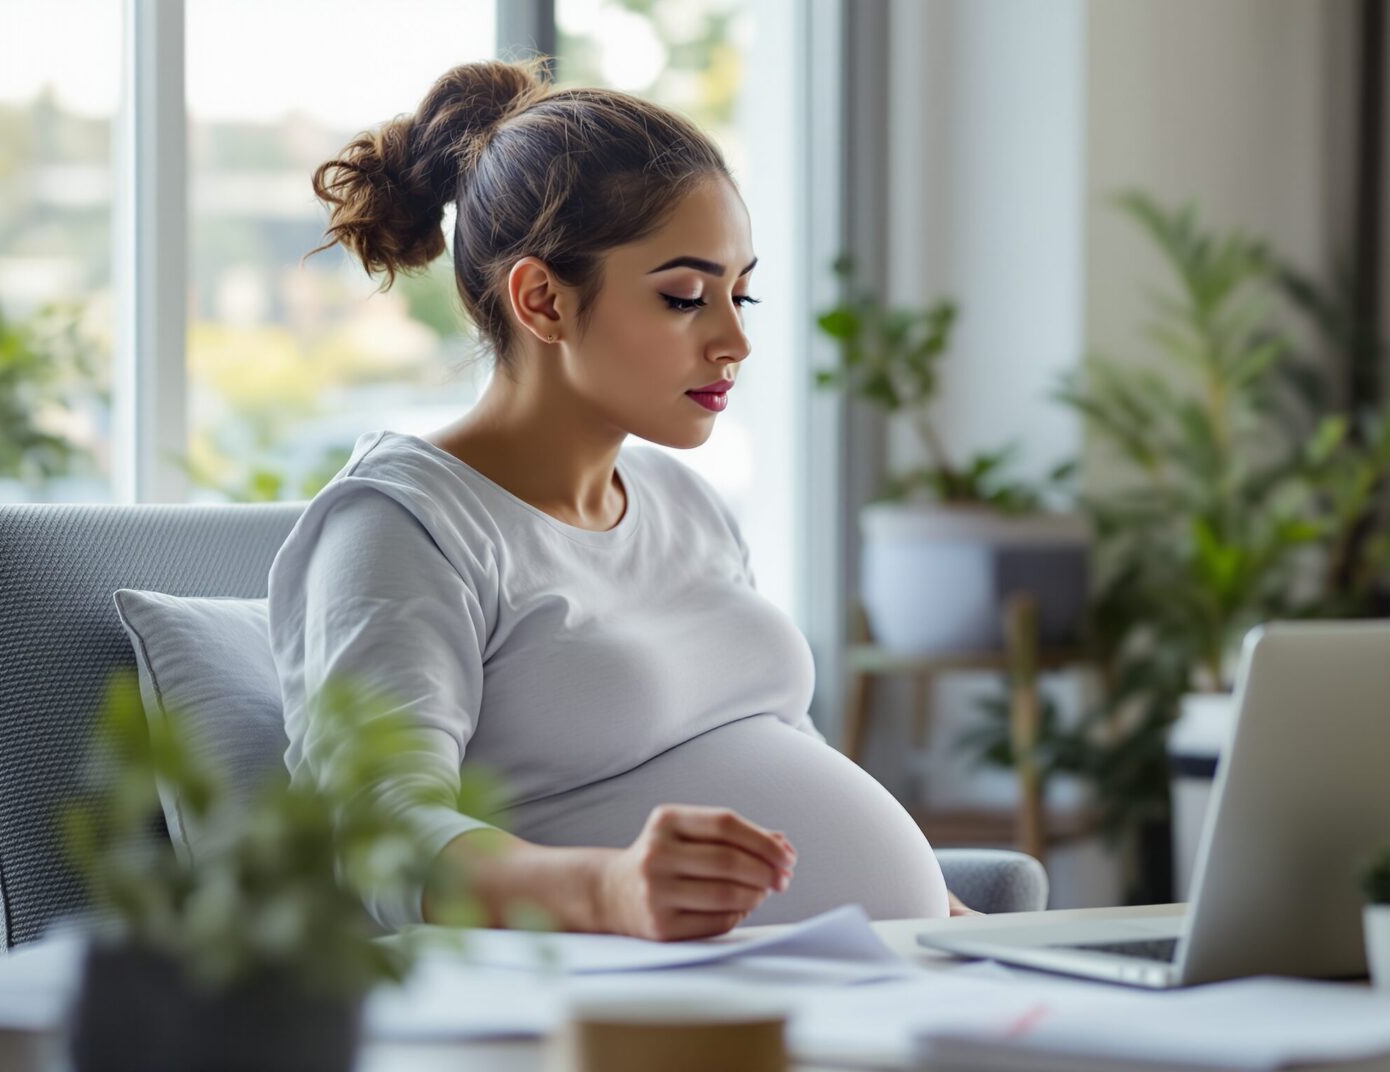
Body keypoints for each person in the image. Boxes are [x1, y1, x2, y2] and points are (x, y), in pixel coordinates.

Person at [268, 58, 974, 942]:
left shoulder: (685, 505)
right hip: (620, 1014)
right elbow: (373, 836)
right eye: (685, 297)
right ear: (543, 301)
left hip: (860, 983)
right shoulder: (405, 527)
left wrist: (949, 920)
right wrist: (611, 892)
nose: (735, 341)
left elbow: (783, 754)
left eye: (740, 291)